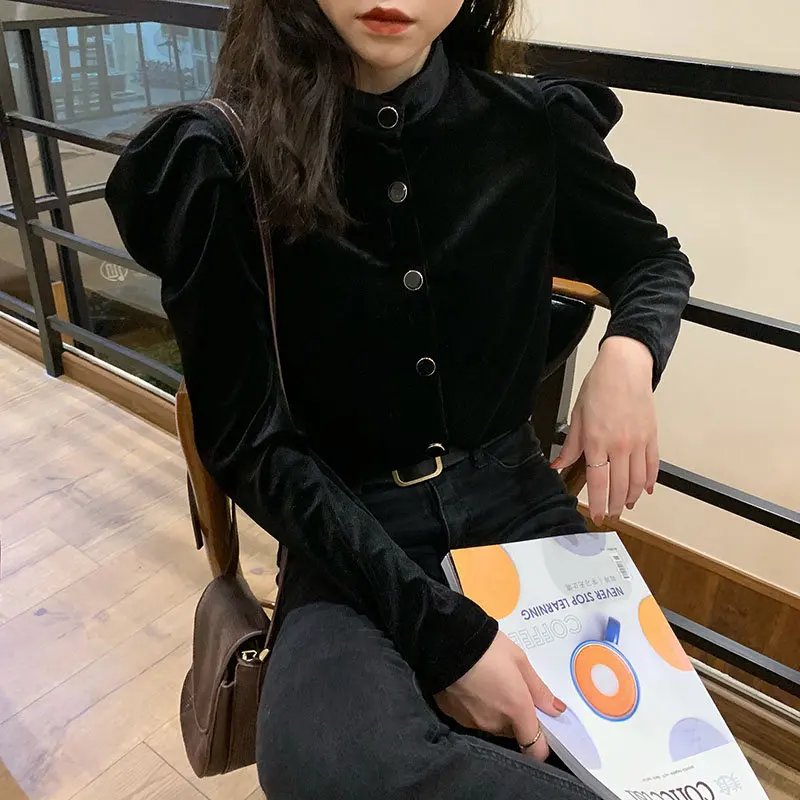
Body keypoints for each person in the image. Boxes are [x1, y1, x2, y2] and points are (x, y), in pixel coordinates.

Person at [106, 1, 693, 797]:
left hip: (517, 503)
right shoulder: (225, 159)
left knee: (656, 765)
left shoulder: (530, 125)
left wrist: (629, 352)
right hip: (342, 530)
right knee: (331, 765)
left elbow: (651, 259)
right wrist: (443, 639)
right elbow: (250, 442)